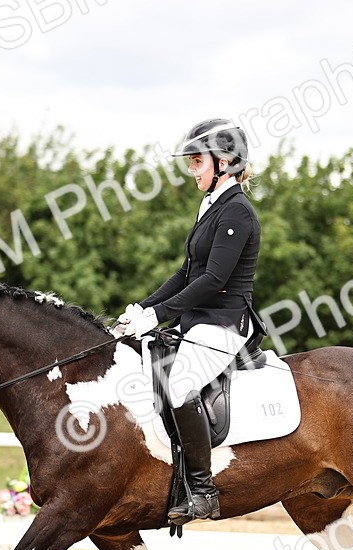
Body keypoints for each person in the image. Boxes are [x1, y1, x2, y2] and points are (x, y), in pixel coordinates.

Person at [118, 118, 264, 524]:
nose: (192, 171)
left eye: (197, 162)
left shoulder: (238, 212)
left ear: (226, 161)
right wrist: (142, 309)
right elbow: (186, 274)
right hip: (197, 321)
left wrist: (159, 315)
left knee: (179, 387)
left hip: (223, 323)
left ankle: (203, 490)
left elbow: (214, 279)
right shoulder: (211, 206)